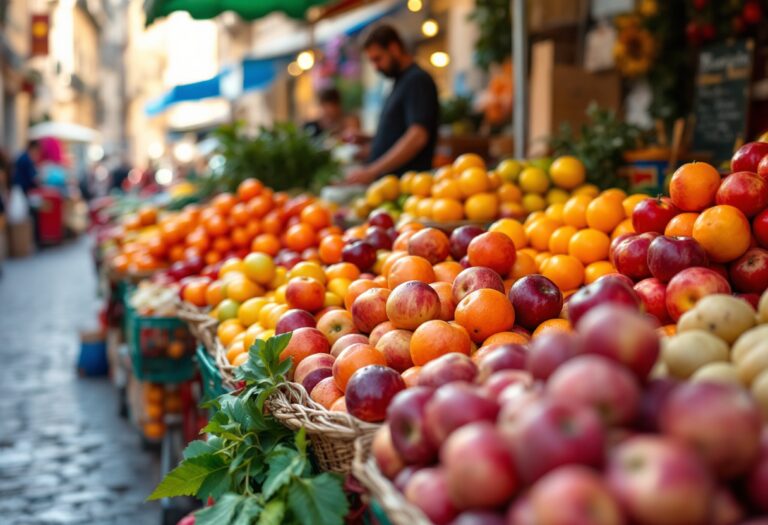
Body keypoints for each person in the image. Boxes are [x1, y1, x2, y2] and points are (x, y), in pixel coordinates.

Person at [345, 24, 439, 184]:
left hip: (408, 186)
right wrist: (370, 140)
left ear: (394, 48)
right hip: (390, 186)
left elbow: (417, 136)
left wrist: (372, 170)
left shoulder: (417, 80)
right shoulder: (400, 81)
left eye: (378, 59)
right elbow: (400, 132)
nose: (376, 67)